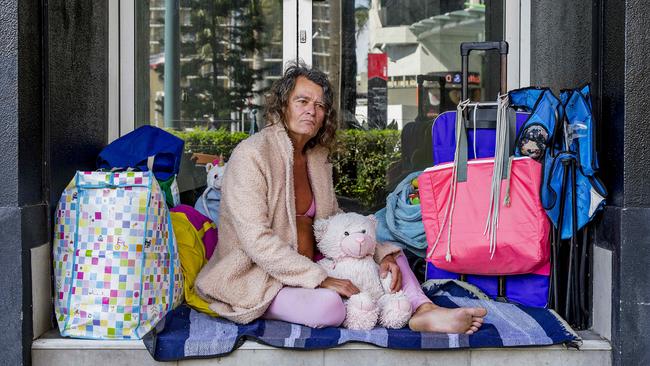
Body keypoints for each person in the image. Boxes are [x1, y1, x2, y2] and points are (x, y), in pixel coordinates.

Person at [195, 62, 487, 333]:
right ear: (283, 105)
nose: (312, 110)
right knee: (330, 307)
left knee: (394, 261)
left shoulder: (316, 157)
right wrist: (321, 279)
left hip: (317, 265)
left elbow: (335, 222)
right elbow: (255, 239)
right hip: (261, 278)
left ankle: (425, 310)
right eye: (302, 101)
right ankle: (376, 305)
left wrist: (379, 253)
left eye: (320, 105)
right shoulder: (252, 155)